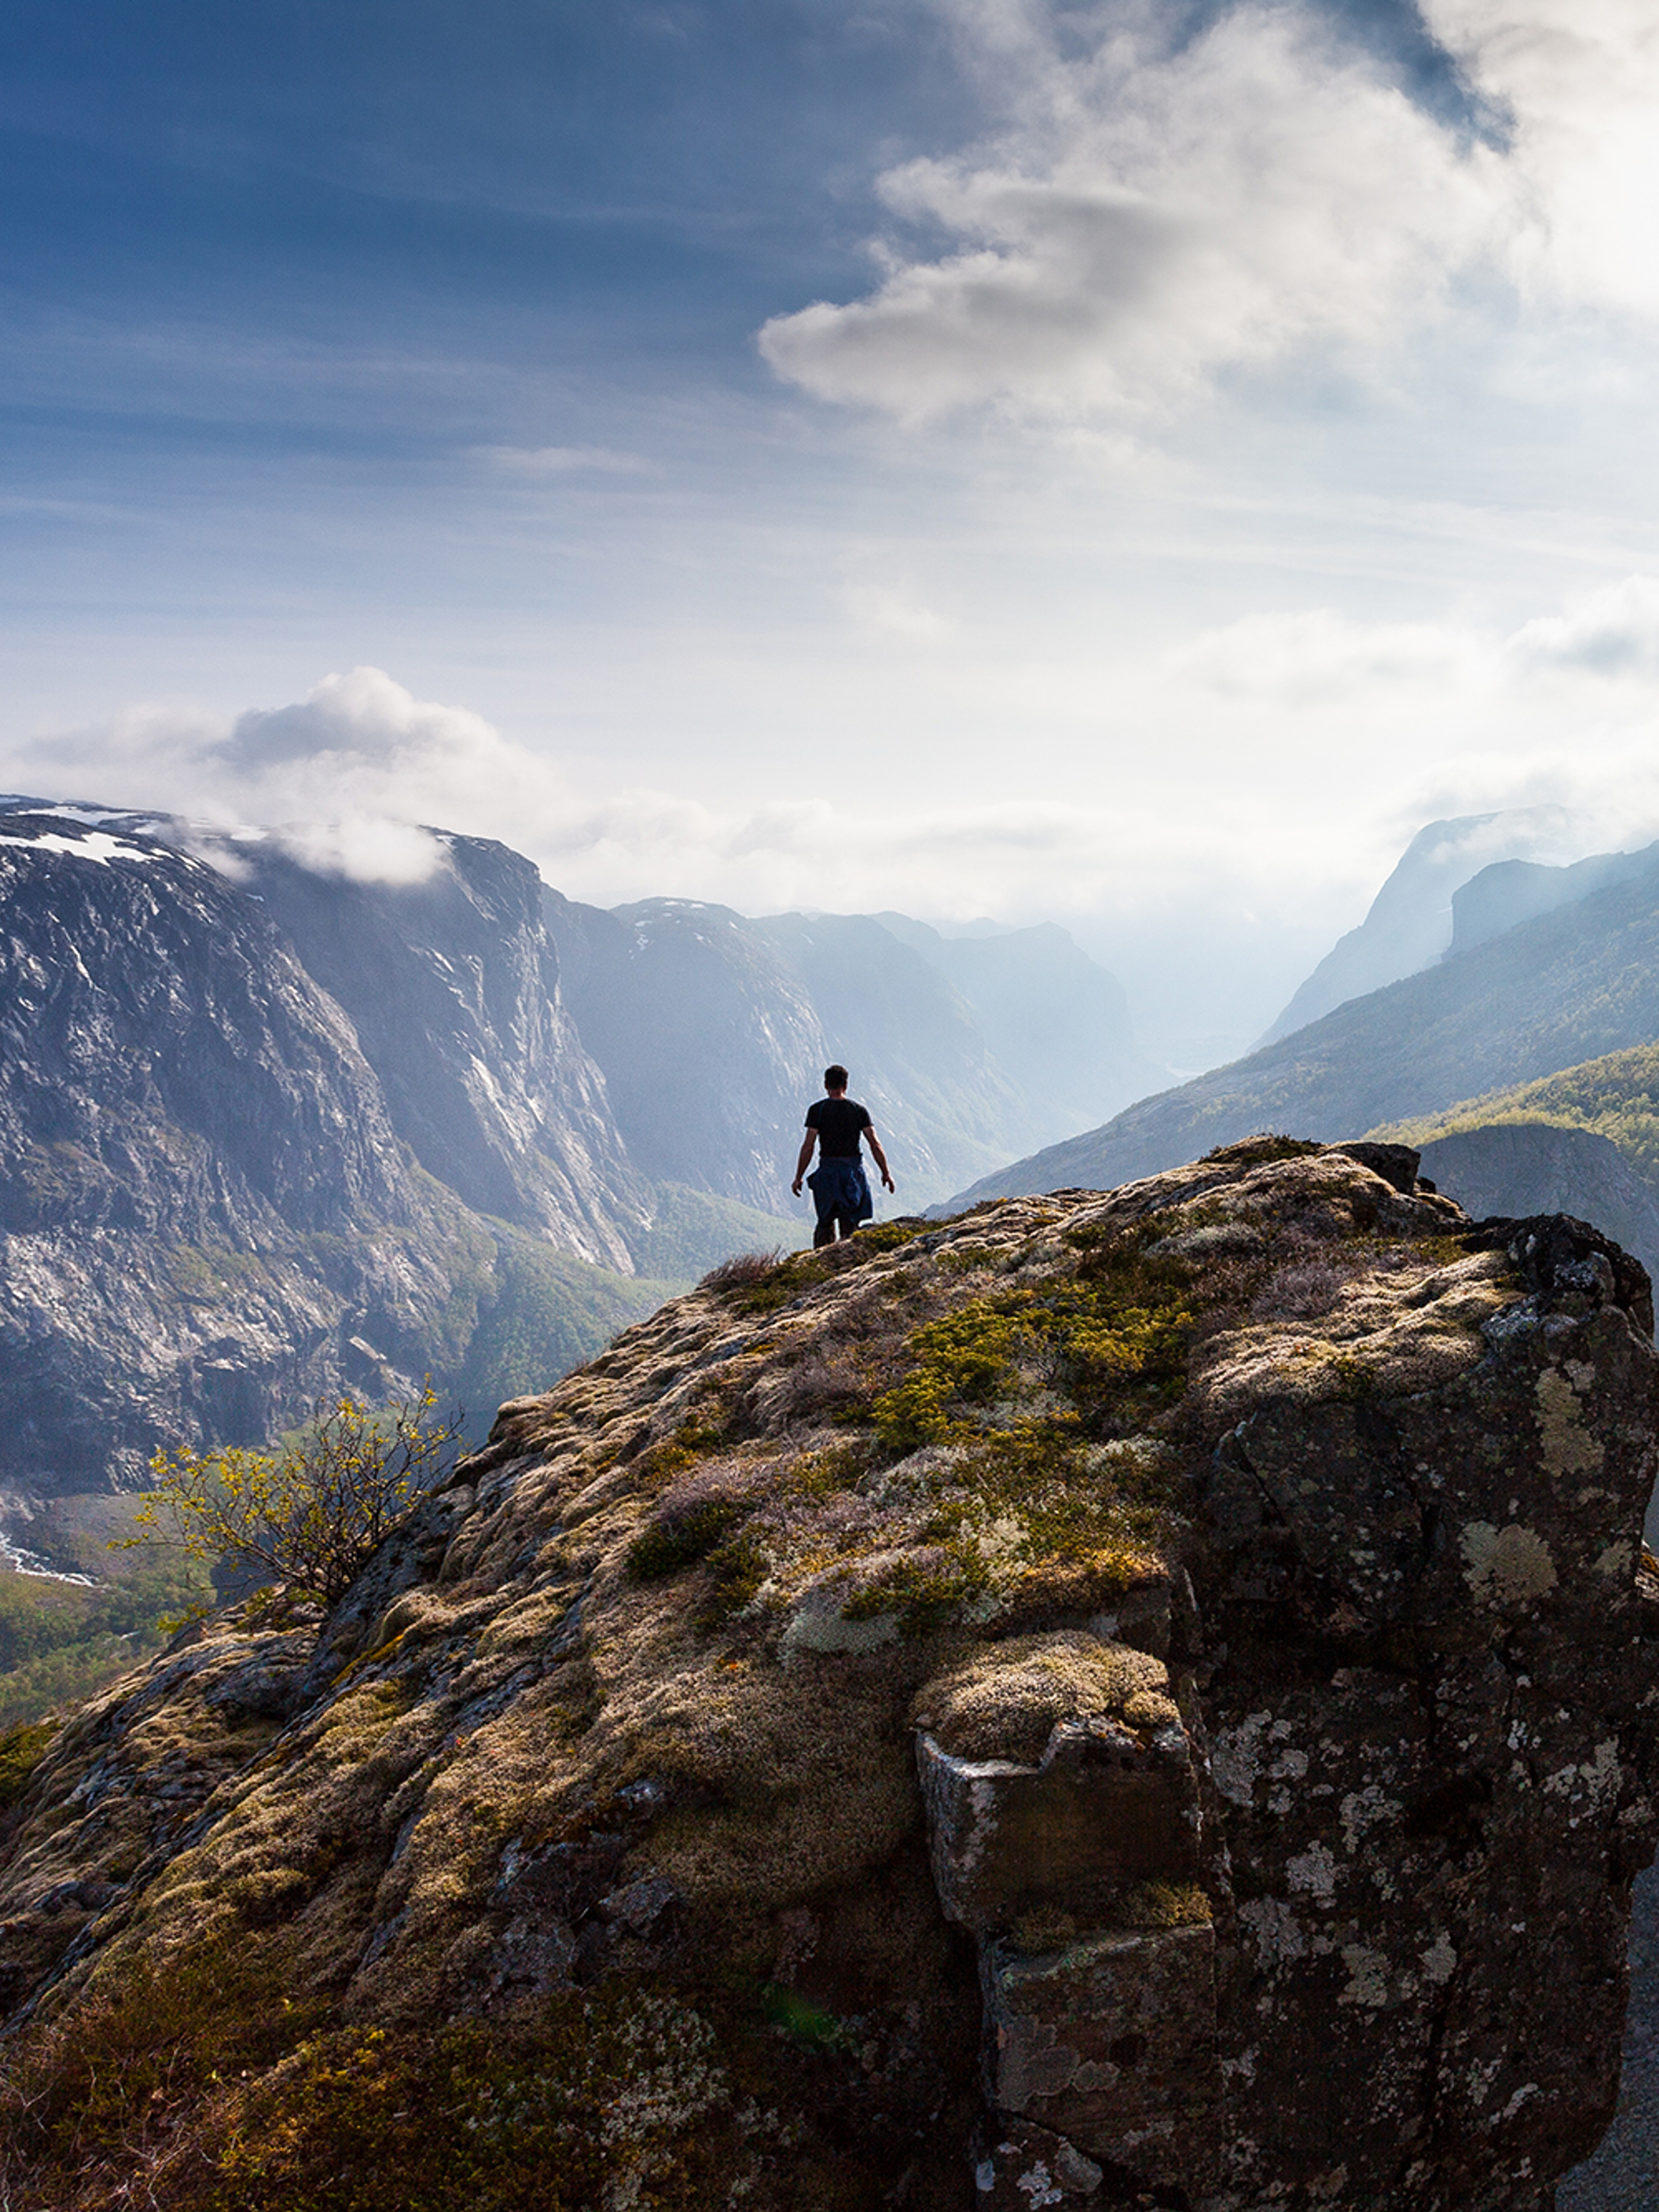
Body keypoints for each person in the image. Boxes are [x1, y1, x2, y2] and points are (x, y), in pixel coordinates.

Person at [792, 1065, 895, 1248]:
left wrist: (799, 1177)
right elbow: (874, 1144)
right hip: (852, 1175)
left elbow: (809, 1146)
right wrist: (886, 1173)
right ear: (846, 1085)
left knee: (825, 1223)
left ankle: (821, 1267)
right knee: (850, 1226)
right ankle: (848, 1265)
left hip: (827, 1174)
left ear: (825, 1085)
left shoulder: (818, 1110)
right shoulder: (858, 1111)